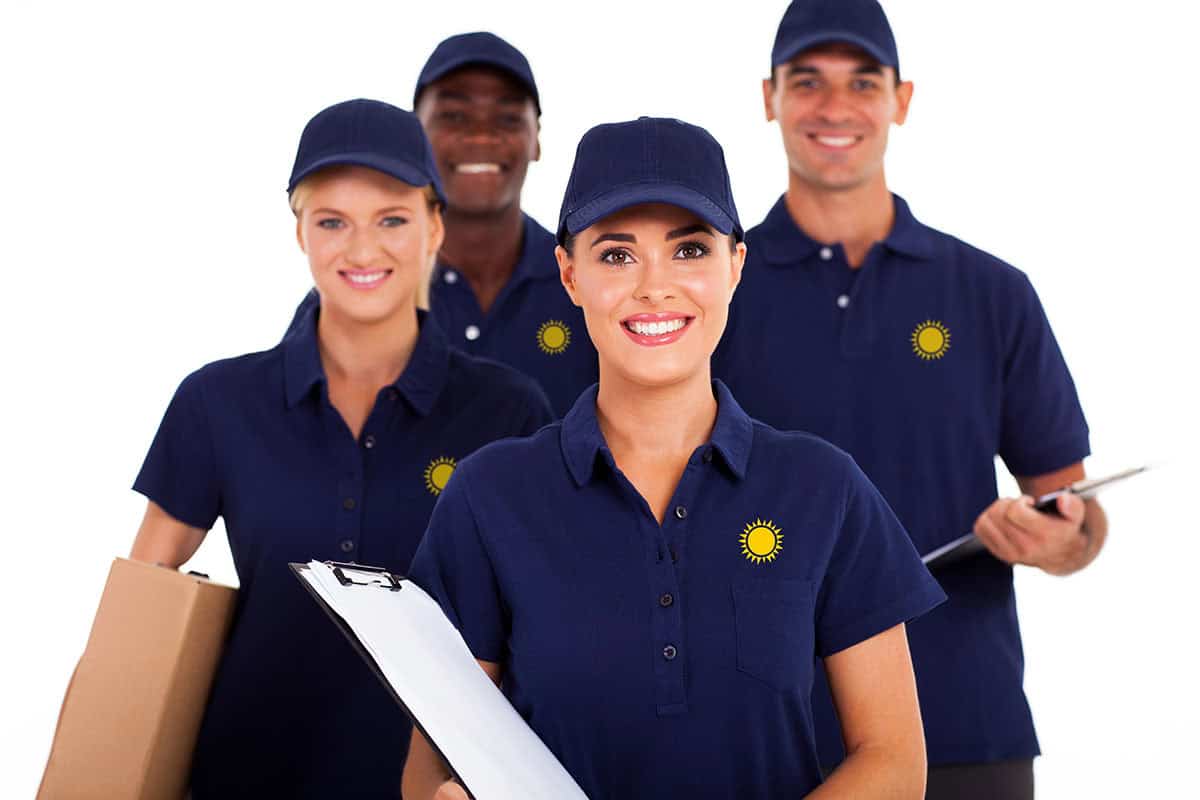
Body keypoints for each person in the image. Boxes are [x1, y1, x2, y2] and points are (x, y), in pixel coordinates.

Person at [401, 116, 946, 800]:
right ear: (569, 273)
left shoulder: (823, 488)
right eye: (617, 255)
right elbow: (431, 772)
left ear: (735, 267)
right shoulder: (489, 497)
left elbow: (893, 759)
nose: (654, 287)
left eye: (689, 251)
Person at [712, 2, 1109, 797]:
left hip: (965, 723)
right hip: (765, 729)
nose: (834, 107)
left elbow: (1077, 520)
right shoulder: (714, 292)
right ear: (768, 97)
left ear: (901, 99)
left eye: (863, 81)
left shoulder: (993, 293)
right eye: (808, 81)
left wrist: (1051, 539)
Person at [129, 99, 553, 798]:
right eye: (333, 222)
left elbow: (546, 624)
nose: (361, 251)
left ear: (435, 228)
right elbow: (138, 612)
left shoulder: (508, 409)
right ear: (299, 230)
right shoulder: (218, 402)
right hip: (240, 778)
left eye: (391, 220)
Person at [287, 32, 597, 416]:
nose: (481, 134)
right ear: (417, 137)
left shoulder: (591, 285)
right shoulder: (357, 293)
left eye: (507, 117)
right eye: (453, 116)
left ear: (536, 139)